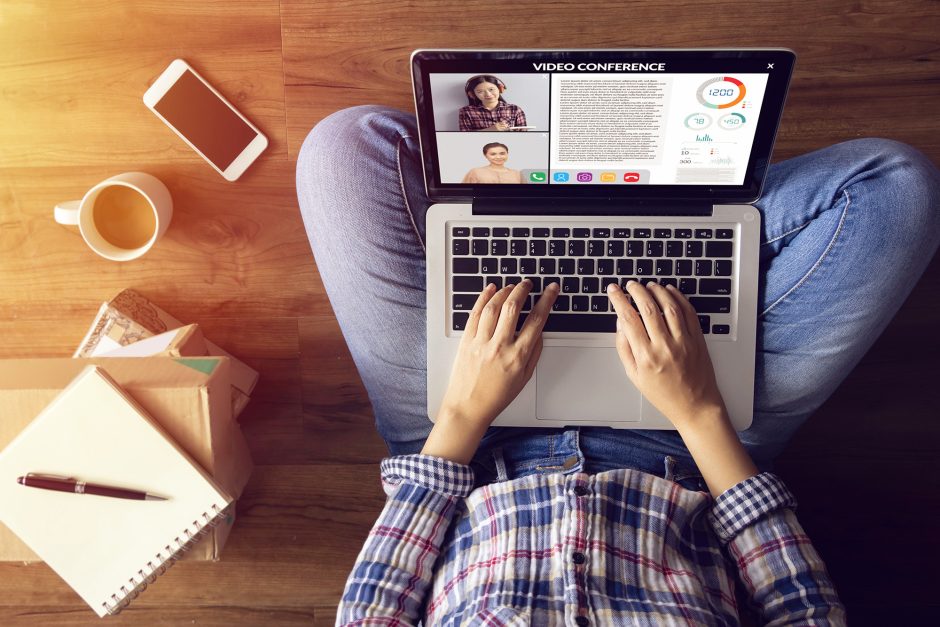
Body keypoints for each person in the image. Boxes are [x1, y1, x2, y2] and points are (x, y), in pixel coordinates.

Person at [296, 105, 940, 625]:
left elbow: (375, 608)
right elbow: (804, 610)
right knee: (894, 188)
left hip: (466, 446)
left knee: (346, 149)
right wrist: (699, 410)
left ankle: (584, 208)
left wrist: (464, 410)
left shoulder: (462, 423)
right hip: (690, 449)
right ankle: (654, 209)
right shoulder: (698, 422)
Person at [459, 74, 528, 132]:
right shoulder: (466, 111)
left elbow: (524, 137)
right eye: (480, 91)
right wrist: (489, 129)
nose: (488, 94)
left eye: (491, 89)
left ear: (500, 89)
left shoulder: (515, 109)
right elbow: (464, 137)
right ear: (472, 94)